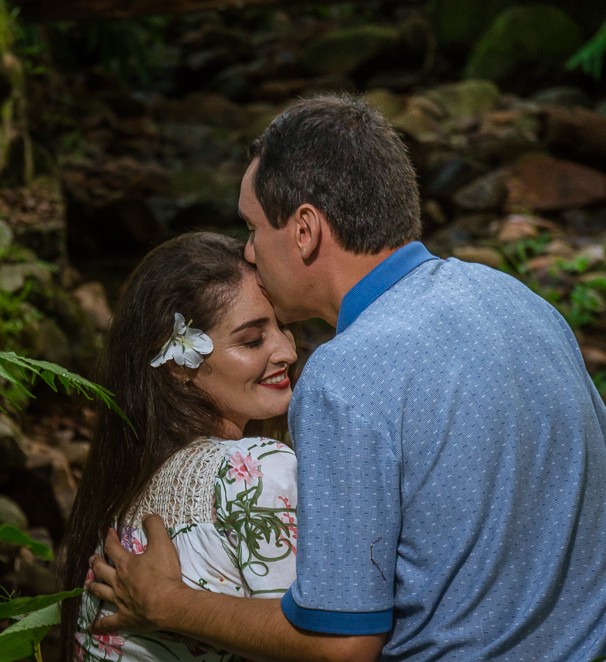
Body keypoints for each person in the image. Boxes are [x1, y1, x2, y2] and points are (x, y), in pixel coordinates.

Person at [86, 95, 606, 661]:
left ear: (305, 229)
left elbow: (344, 645)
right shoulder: (519, 300)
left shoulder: (346, 376)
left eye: (254, 227)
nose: (249, 251)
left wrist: (166, 603)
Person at [60, 232, 300, 662]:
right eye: (251, 340)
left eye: (284, 326)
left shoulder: (125, 482)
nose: (286, 351)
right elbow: (315, 645)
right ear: (178, 364)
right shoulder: (254, 470)